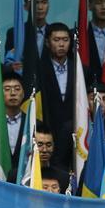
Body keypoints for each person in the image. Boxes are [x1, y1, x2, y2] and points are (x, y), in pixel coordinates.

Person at [39, 23, 75, 167]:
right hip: (47, 130)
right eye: (57, 40)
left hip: (74, 132)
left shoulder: (80, 69)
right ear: (47, 42)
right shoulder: (38, 69)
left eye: (65, 40)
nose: (61, 44)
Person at [4, 0, 50, 76]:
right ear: (25, 7)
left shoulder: (55, 33)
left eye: (44, 2)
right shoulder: (14, 33)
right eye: (35, 3)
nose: (40, 7)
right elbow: (8, 65)